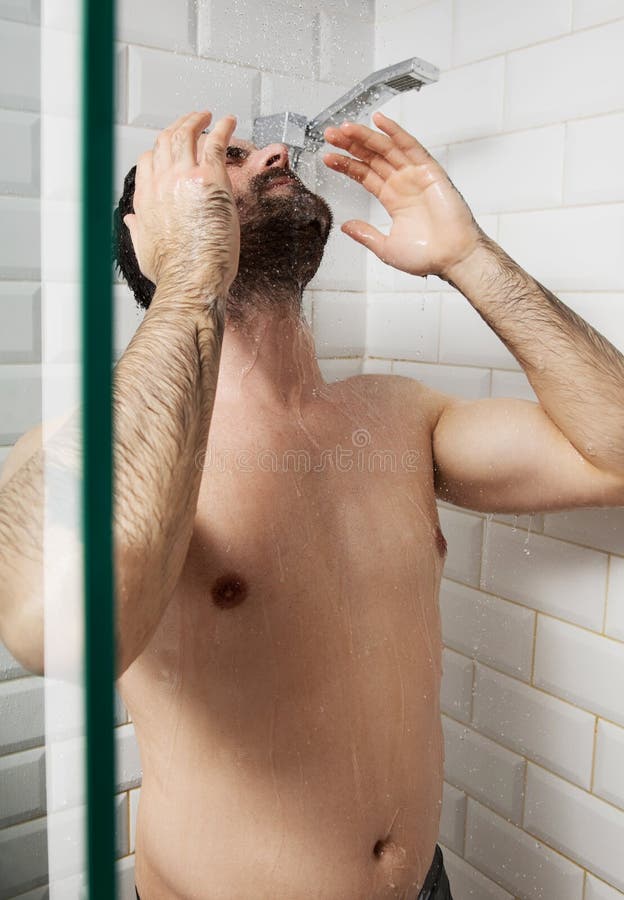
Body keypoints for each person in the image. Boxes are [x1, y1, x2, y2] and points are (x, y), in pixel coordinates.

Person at [1, 108, 623, 900]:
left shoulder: (399, 418)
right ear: (155, 225)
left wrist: (470, 259)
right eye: (226, 158)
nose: (273, 153)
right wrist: (190, 276)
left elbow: (614, 457)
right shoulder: (87, 449)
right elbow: (61, 630)